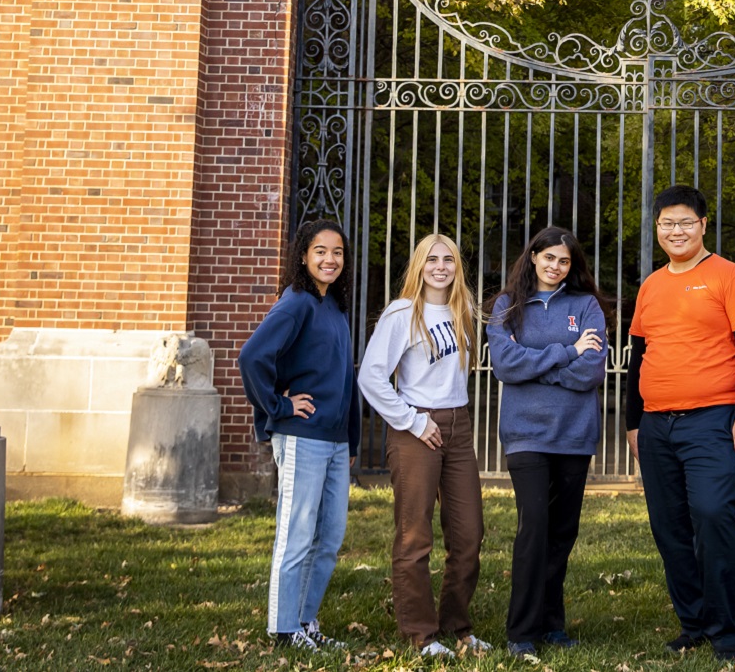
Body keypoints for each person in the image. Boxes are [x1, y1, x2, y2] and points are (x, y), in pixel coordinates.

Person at [623, 184, 735, 663]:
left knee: (711, 514)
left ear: (703, 225)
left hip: (712, 420)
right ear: (657, 228)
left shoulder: (730, 277)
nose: (676, 230)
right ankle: (694, 623)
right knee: (669, 526)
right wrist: (632, 423)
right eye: (667, 223)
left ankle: (726, 629)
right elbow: (637, 356)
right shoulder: (651, 285)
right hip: (656, 425)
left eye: (686, 222)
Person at [357, 233, 489, 657]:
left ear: (457, 267)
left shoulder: (462, 309)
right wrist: (412, 421)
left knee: (469, 533)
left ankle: (456, 625)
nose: (440, 267)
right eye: (431, 259)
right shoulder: (401, 313)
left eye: (448, 259)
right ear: (419, 265)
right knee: (415, 535)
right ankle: (421, 632)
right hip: (417, 426)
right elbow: (371, 377)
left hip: (459, 424)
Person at [237, 219, 362, 654]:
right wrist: (279, 406)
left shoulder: (335, 306)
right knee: (296, 534)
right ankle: (283, 628)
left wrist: (352, 440)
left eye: (338, 253)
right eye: (321, 251)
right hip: (302, 435)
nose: (330, 260)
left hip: (333, 441)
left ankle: (306, 621)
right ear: (304, 256)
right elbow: (252, 357)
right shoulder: (296, 302)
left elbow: (344, 378)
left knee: (328, 537)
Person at [486, 227, 611, 656]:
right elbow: (504, 363)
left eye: (564, 261)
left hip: (575, 436)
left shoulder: (587, 305)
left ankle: (551, 623)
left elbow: (593, 370)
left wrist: (540, 365)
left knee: (562, 533)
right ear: (533, 256)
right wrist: (567, 351)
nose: (556, 267)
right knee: (534, 529)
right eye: (549, 258)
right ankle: (521, 632)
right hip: (526, 436)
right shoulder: (508, 306)